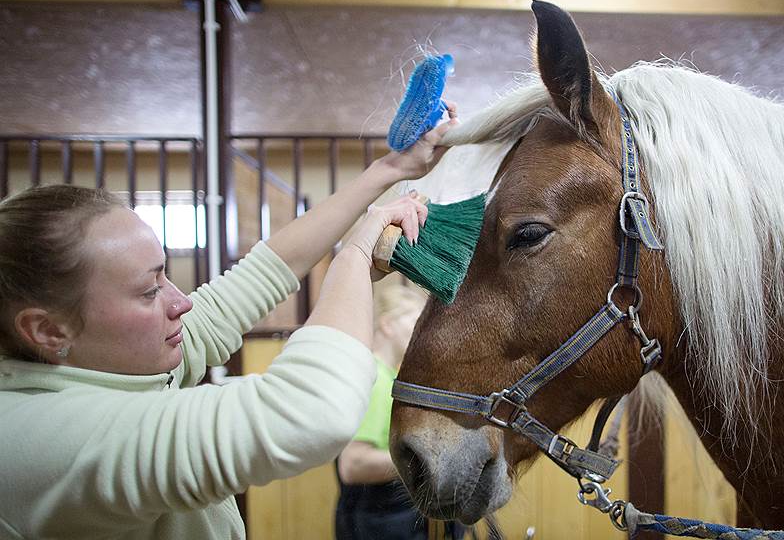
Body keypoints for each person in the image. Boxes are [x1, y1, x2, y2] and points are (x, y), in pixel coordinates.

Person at [0, 108, 458, 539]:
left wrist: (389, 170)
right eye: (148, 291)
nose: (181, 302)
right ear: (47, 331)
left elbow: (252, 282)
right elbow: (310, 412)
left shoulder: (103, 360)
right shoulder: (41, 442)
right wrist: (354, 258)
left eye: (165, 274)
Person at [335, 282, 460, 540]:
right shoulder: (376, 382)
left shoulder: (389, 378)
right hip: (377, 522)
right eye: (416, 323)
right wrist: (427, 461)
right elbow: (353, 464)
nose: (423, 335)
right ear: (388, 325)